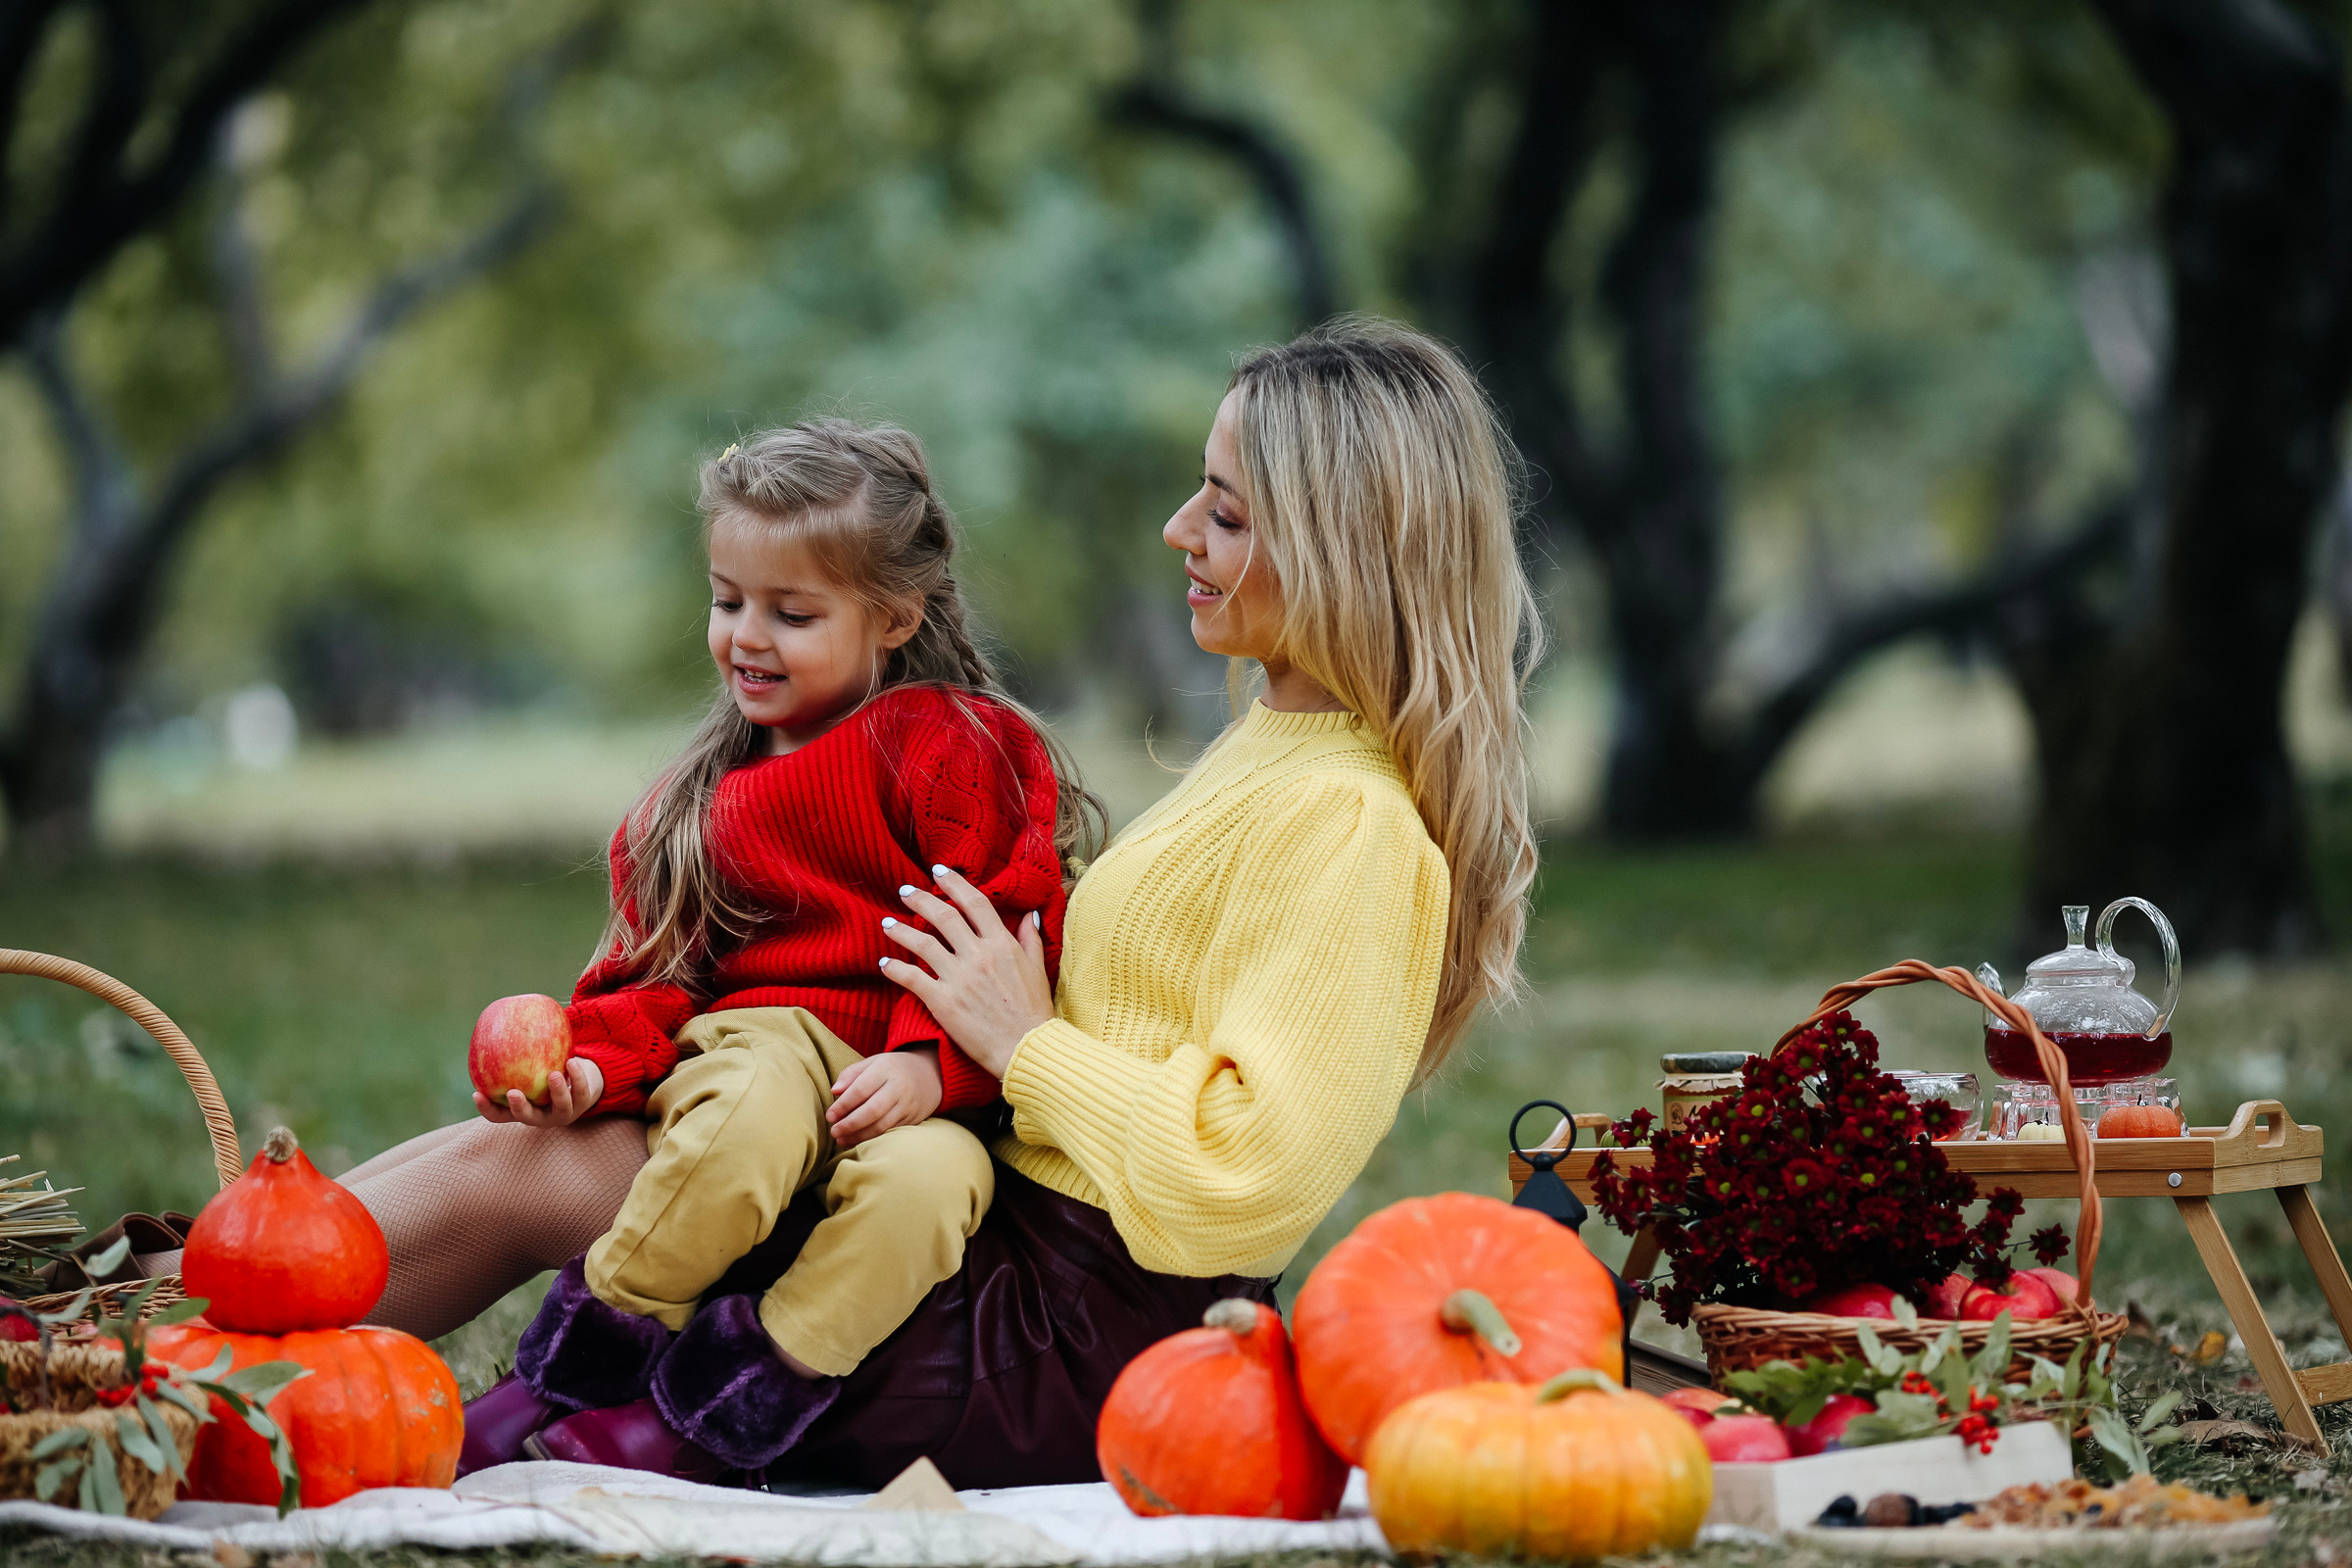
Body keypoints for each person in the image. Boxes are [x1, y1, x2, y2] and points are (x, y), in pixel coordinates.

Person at [295, 317, 1542, 1490]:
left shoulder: (1354, 828)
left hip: (1063, 1325)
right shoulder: (1277, 752)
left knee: (548, 1179)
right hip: (1009, 1229)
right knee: (557, 1154)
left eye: (1223, 511)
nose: (1178, 530)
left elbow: (1246, 1172)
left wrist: (1026, 1043)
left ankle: (205, 1371)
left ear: (1344, 548)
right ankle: (208, 1317)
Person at [459, 417, 1098, 1475]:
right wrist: (588, 1067)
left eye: (791, 613)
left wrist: (930, 1072)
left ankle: (710, 1414)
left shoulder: (952, 747)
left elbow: (1005, 922)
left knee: (933, 1189)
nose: (747, 635)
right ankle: (574, 1366)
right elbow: (652, 981)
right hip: (762, 1042)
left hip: (912, 1074)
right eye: (727, 601)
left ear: (894, 616)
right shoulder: (700, 802)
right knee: (745, 1121)